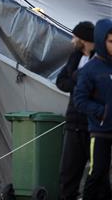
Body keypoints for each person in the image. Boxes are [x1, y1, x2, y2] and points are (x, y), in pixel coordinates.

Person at [74, 18, 112, 200]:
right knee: (97, 172)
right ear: (101, 41)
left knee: (106, 177)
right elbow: (79, 100)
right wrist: (102, 112)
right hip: (101, 131)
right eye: (111, 41)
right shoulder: (90, 69)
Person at [56, 21, 95, 200]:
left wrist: (78, 81)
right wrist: (79, 83)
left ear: (84, 39)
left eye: (75, 37)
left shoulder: (100, 59)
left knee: (97, 173)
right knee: (68, 170)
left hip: (94, 124)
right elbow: (61, 81)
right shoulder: (75, 57)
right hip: (73, 121)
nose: (72, 41)